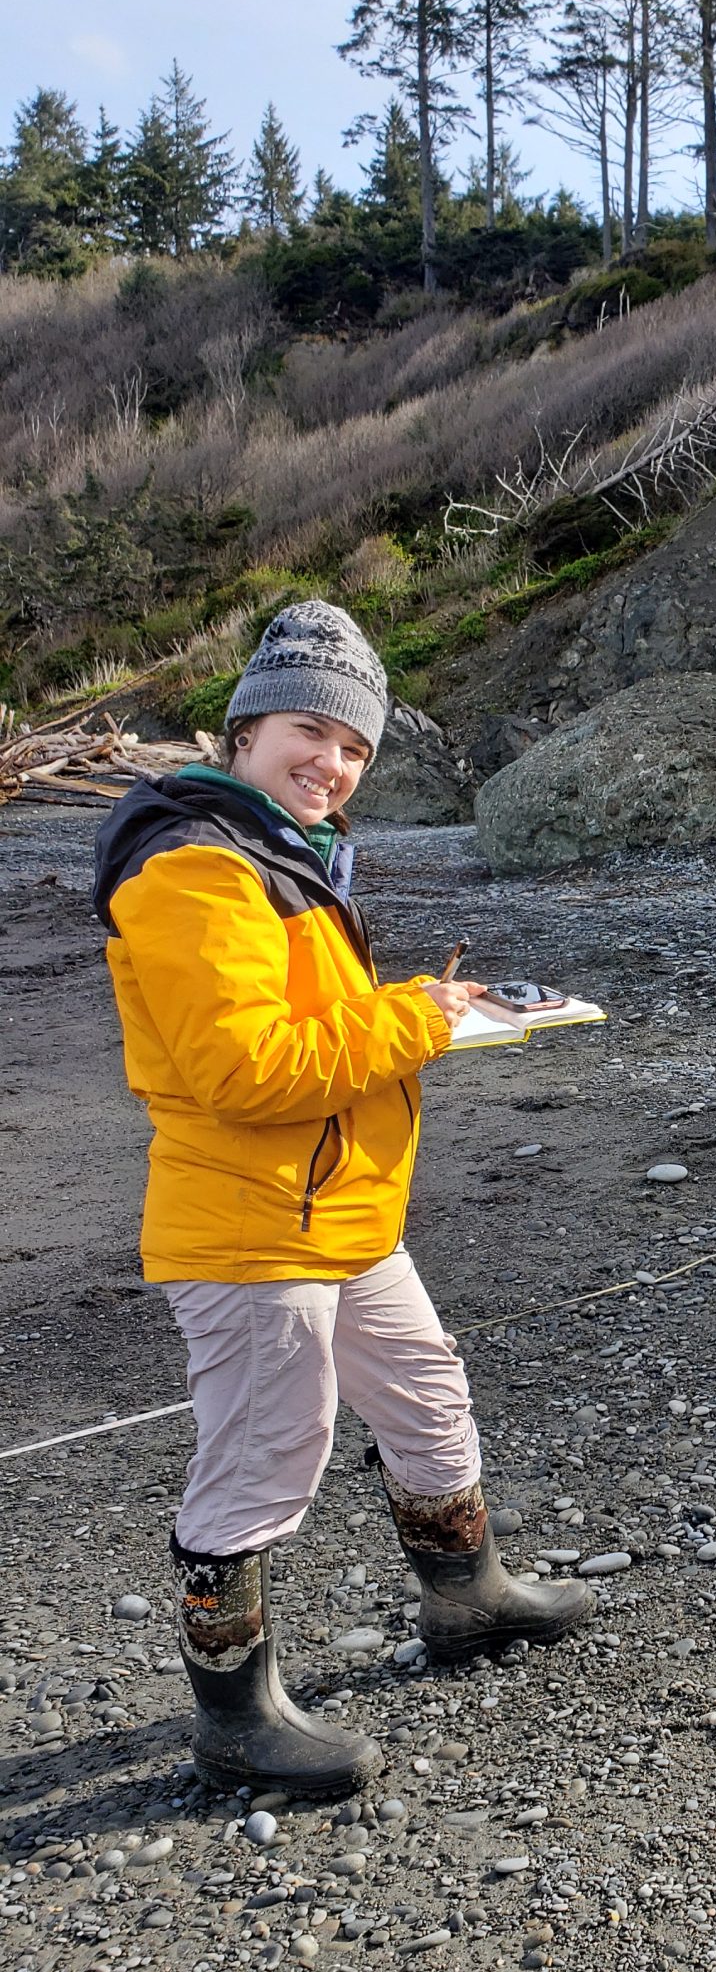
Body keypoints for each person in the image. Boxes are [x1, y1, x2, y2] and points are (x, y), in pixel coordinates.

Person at [92, 601, 592, 1799]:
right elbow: (245, 1069)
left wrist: (420, 1007)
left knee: (426, 1395)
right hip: (252, 1226)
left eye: (355, 745)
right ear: (246, 728)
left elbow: (302, 1028)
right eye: (310, 732)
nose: (332, 762)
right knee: (267, 1455)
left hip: (335, 1209)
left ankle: (467, 1598)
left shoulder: (273, 848)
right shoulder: (195, 864)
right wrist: (420, 1017)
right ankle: (233, 1714)